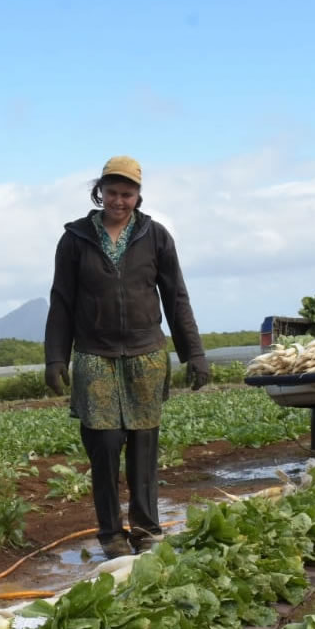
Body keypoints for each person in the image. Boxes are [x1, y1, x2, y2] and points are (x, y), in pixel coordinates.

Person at [43, 156, 210, 560]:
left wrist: (194, 354)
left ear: (138, 196)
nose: (119, 201)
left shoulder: (155, 236)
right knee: (103, 445)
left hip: (145, 355)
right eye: (112, 193)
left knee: (143, 445)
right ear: (99, 192)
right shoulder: (75, 239)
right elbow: (62, 302)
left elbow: (176, 298)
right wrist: (54, 358)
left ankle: (147, 530)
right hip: (94, 357)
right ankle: (110, 534)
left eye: (127, 194)